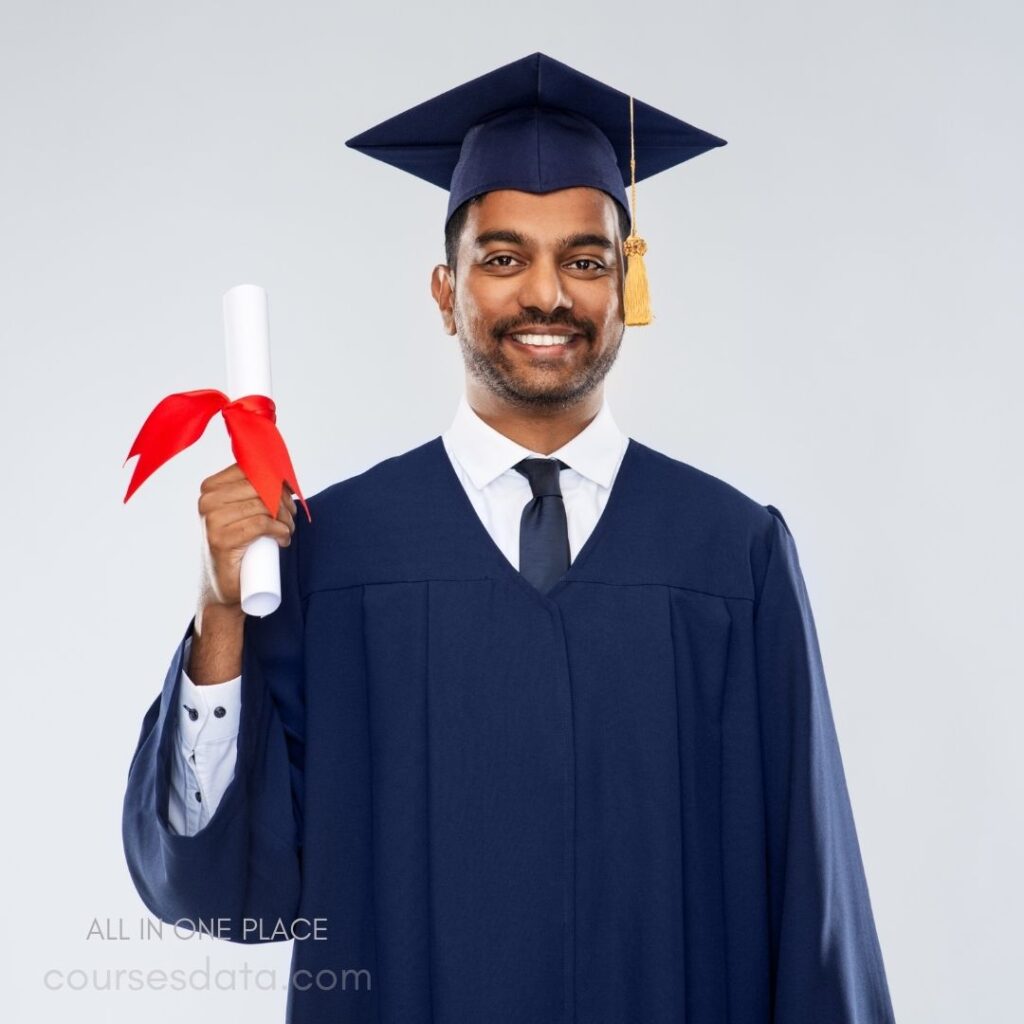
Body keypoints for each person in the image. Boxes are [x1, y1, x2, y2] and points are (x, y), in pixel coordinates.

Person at [122, 52, 897, 1024]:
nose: (547, 295)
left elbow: (812, 896)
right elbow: (218, 885)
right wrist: (221, 611)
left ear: (624, 287)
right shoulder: (337, 550)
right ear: (445, 292)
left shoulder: (729, 554)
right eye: (503, 258)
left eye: (584, 259)